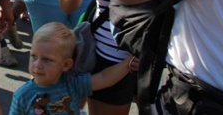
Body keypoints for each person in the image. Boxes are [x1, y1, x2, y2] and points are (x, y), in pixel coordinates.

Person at [9, 22, 137, 115]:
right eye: (34, 57)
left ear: (66, 65)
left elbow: (103, 78)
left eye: (47, 59)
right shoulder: (23, 95)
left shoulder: (73, 84)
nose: (38, 65)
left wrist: (127, 64)